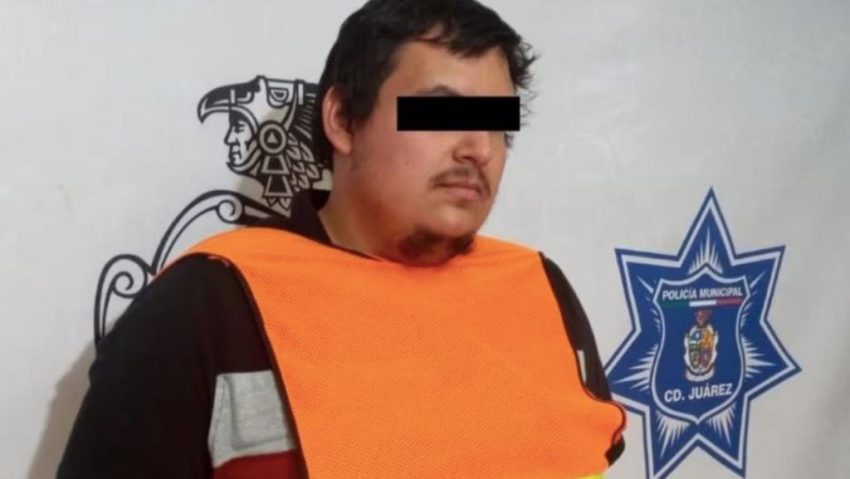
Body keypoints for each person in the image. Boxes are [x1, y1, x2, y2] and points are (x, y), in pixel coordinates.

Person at [59, 0, 626, 477]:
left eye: (498, 124)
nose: (478, 148)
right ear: (343, 120)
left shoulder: (540, 287)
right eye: (440, 113)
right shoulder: (207, 306)